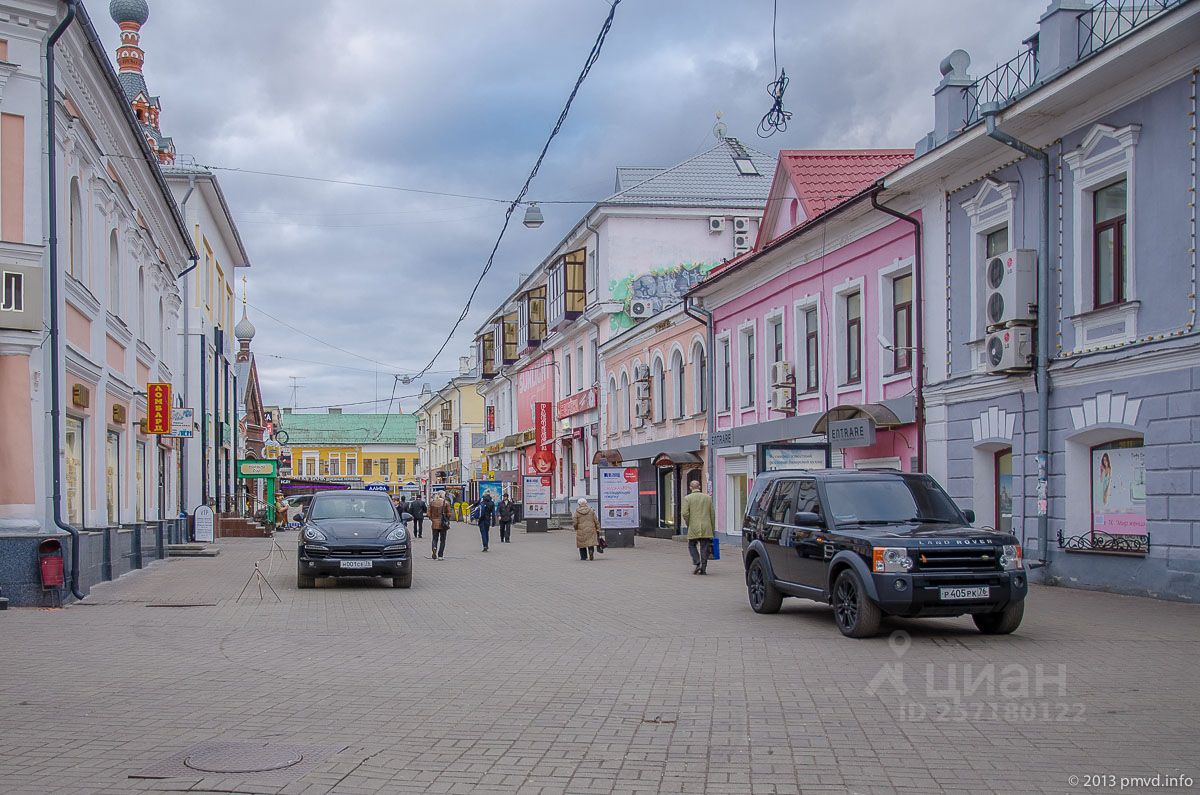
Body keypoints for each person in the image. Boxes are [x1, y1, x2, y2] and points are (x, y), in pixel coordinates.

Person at [681, 480, 715, 575]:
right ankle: (703, 568)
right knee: (704, 547)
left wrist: (688, 523)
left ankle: (697, 562)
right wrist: (712, 528)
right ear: (699, 486)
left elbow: (684, 513)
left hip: (693, 526)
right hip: (706, 527)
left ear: (690, 487)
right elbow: (712, 514)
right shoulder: (707, 498)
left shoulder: (688, 498)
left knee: (692, 545)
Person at [428, 491, 451, 560]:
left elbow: (428, 513)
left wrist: (432, 519)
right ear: (443, 495)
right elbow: (449, 514)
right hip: (443, 524)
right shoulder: (446, 503)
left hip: (434, 523)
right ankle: (440, 555)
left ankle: (434, 548)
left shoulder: (432, 502)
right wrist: (447, 519)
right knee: (442, 540)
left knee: (435, 538)